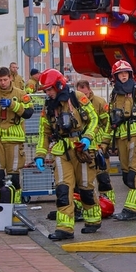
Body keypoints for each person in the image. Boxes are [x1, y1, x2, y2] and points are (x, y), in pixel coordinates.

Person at [34, 68, 100, 240]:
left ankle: (93, 219)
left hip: (82, 148)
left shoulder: (77, 97)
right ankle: (65, 228)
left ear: (58, 85)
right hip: (61, 150)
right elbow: (44, 132)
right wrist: (40, 154)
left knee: (86, 187)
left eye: (49, 89)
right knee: (63, 189)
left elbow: (94, 119)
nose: (48, 93)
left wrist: (87, 138)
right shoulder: (48, 107)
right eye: (46, 90)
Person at [106, 60, 136, 221]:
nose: (123, 76)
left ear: (130, 74)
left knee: (135, 174)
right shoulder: (114, 94)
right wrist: (104, 143)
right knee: (126, 176)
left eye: (126, 73)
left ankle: (132, 210)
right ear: (115, 76)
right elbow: (110, 121)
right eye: (120, 73)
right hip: (121, 138)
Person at [0, 67, 34, 189]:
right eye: (0, 80)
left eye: (5, 79)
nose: (2, 83)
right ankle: (0, 204)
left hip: (14, 138)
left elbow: (29, 112)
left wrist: (13, 105)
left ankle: (15, 204)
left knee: (13, 177)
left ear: (10, 78)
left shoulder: (20, 94)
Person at [75, 79, 114, 203]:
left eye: (85, 94)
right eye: (80, 94)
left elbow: (107, 123)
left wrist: (105, 143)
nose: (83, 97)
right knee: (84, 179)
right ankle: (86, 205)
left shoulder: (99, 102)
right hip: (83, 147)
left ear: (89, 90)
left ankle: (109, 203)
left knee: (103, 179)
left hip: (98, 146)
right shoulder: (74, 102)